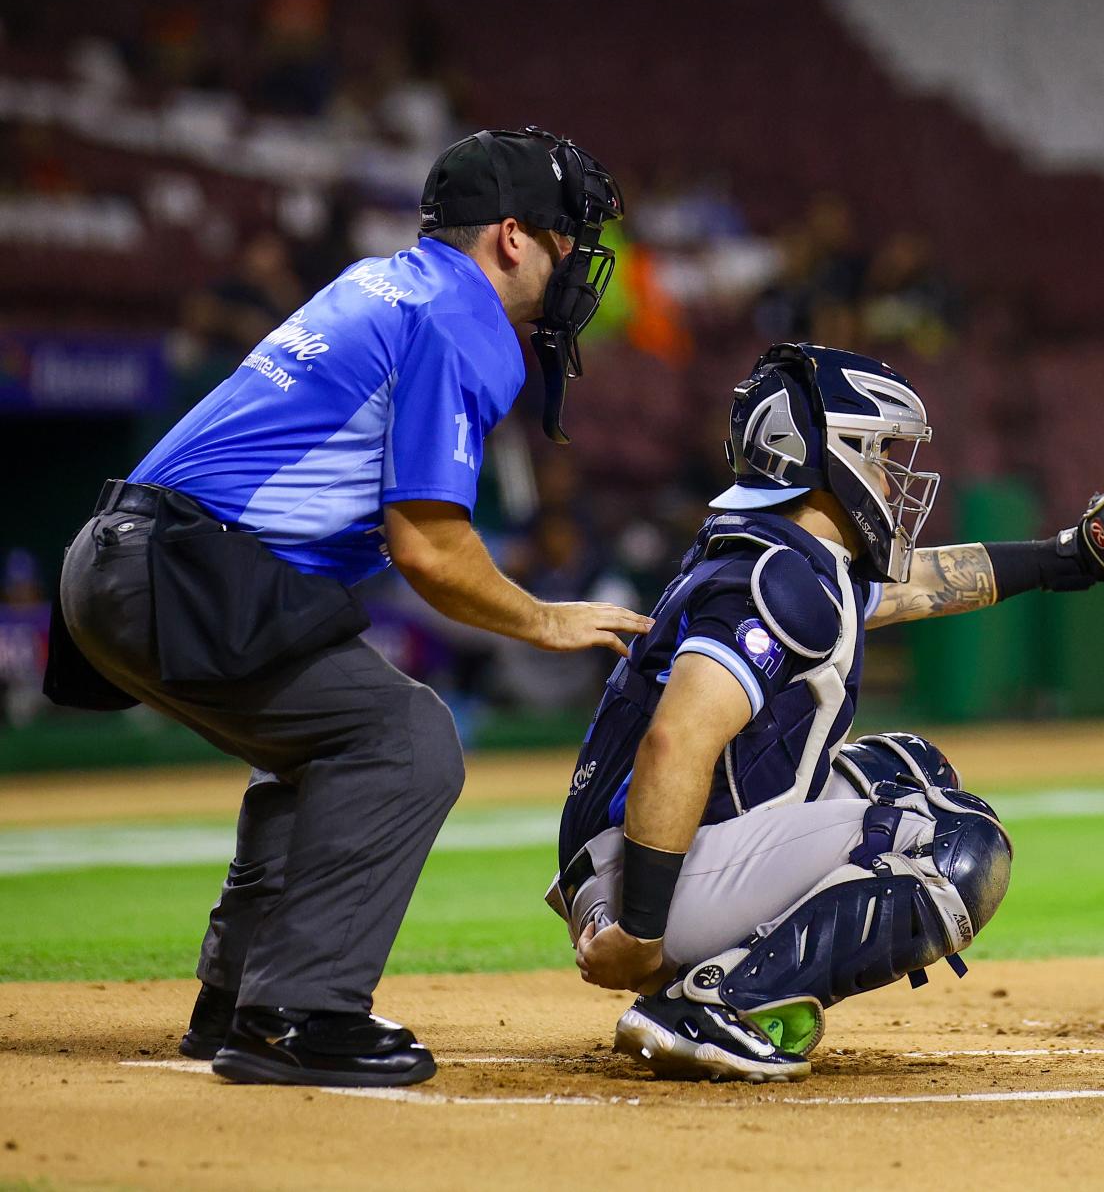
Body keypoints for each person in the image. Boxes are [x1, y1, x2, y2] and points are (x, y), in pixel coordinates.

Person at [48, 127, 653, 1087]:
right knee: (405, 741)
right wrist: (545, 617)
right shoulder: (464, 321)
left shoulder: (386, 281)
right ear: (509, 236)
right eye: (564, 238)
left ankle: (238, 999)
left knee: (326, 746)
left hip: (121, 559)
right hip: (182, 570)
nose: (576, 261)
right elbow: (427, 544)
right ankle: (298, 1015)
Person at [547, 343, 1104, 1081]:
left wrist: (1076, 555)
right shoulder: (776, 579)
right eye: (876, 454)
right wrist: (642, 930)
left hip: (624, 863)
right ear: (824, 459)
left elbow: (918, 585)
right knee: (953, 843)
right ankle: (718, 1005)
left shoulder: (782, 557)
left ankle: (711, 979)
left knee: (907, 769)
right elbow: (674, 741)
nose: (890, 475)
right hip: (645, 886)